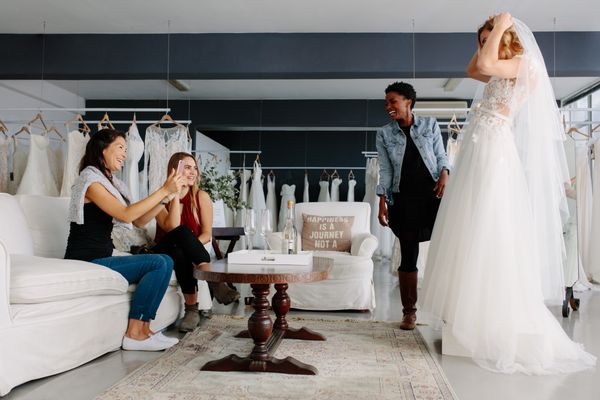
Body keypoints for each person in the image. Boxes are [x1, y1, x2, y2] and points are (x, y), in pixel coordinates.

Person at [421, 13, 596, 374]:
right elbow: (473, 69)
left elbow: (484, 64)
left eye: (491, 39)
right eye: (482, 40)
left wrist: (502, 24)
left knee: (489, 218)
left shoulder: (524, 63)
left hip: (495, 144)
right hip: (480, 143)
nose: (485, 47)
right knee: (470, 222)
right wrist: (485, 38)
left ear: (508, 38)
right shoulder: (498, 64)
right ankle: (467, 310)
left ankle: (491, 314)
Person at [64, 128, 186, 351]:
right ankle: (134, 334)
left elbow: (138, 221)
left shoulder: (112, 183)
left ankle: (144, 330)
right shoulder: (90, 181)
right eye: (120, 148)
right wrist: (162, 190)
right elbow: (125, 215)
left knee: (165, 260)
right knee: (159, 262)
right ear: (102, 149)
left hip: (102, 255)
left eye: (125, 149)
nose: (124, 154)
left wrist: (165, 198)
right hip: (86, 259)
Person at [376, 81, 450, 330]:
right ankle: (409, 312)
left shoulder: (429, 125)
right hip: (404, 199)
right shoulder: (384, 134)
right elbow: (385, 170)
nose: (388, 106)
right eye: (386, 102)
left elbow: (441, 156)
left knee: (448, 246)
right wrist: (382, 201)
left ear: (408, 102)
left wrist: (445, 174)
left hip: (433, 196)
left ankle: (449, 308)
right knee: (409, 254)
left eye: (392, 101)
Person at [154, 152, 240, 332]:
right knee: (182, 233)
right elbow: (172, 228)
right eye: (187, 167)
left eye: (195, 168)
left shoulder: (201, 196)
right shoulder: (161, 197)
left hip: (181, 253)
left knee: (181, 252)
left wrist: (190, 246)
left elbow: (207, 234)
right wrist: (175, 194)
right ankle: (216, 282)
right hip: (162, 250)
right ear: (174, 170)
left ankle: (192, 310)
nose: (193, 172)